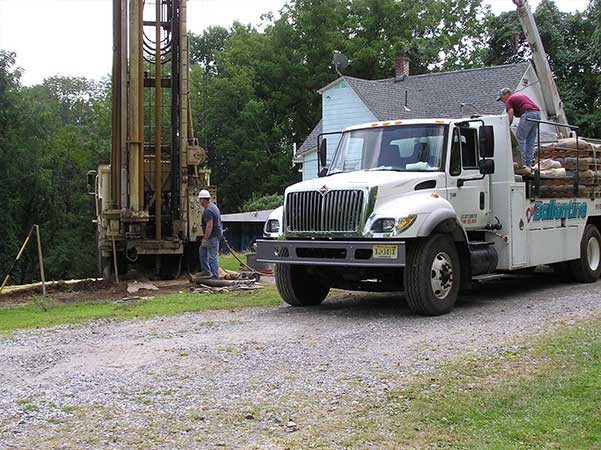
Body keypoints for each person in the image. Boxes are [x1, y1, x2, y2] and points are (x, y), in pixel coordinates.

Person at [497, 88, 542, 169]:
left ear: (506, 94)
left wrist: (506, 128)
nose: (502, 101)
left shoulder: (509, 100)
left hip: (528, 114)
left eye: (501, 98)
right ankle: (529, 163)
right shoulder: (518, 97)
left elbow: (510, 117)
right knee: (530, 140)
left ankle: (521, 163)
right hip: (537, 114)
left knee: (519, 138)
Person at [198, 189, 222, 280]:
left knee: (212, 257)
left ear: (204, 200)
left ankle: (215, 277)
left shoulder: (208, 211)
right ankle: (206, 271)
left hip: (212, 237)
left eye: (200, 199)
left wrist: (205, 239)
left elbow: (209, 226)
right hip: (215, 235)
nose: (199, 202)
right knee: (202, 251)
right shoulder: (214, 207)